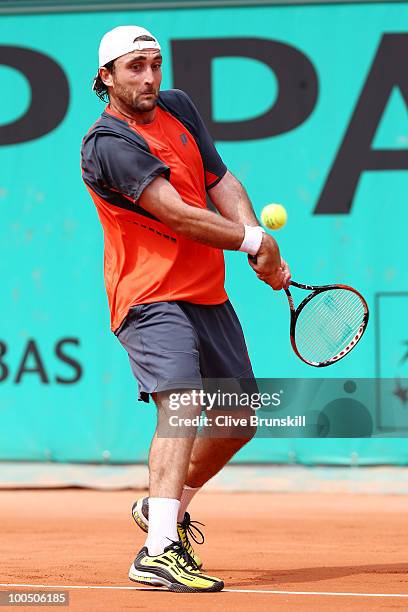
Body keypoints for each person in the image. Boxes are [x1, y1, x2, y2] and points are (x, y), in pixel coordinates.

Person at [81, 25, 291, 593]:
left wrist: (255, 236)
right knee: (185, 400)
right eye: (134, 67)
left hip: (205, 292)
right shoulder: (107, 146)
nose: (149, 77)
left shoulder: (178, 107)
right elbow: (176, 213)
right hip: (148, 295)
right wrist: (254, 244)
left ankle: (163, 510)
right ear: (106, 78)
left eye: (155, 63)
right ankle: (158, 552)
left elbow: (218, 179)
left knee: (235, 421)